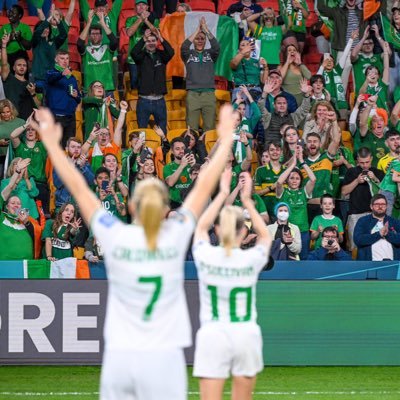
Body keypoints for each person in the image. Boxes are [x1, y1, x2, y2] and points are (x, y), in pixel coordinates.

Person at [32, 103, 235, 400]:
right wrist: (226, 138)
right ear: (167, 210)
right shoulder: (175, 237)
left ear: (129, 207)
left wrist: (51, 143)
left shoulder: (116, 238)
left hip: (122, 356)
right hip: (165, 356)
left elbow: (79, 188)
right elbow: (202, 188)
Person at [192, 170, 271, 400]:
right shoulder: (250, 259)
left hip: (213, 334)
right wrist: (247, 200)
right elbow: (266, 237)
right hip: (246, 333)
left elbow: (199, 228)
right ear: (244, 231)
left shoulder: (207, 256)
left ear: (218, 230)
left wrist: (223, 193)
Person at [131, 29, 174, 134]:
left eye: (153, 40)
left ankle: (162, 149)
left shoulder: (162, 55)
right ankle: (142, 150)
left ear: (157, 42)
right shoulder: (140, 56)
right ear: (145, 43)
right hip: (143, 101)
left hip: (159, 101)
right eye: (148, 41)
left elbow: (171, 52)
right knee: (142, 131)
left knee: (162, 130)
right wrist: (143, 39)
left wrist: (161, 38)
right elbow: (133, 52)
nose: (151, 43)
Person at [276, 150, 316, 259]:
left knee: (303, 259)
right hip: (286, 231)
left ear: (300, 180)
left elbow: (313, 179)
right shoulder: (283, 192)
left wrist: (302, 161)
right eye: (292, 178)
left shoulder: (304, 192)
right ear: (287, 180)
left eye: (297, 178)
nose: (294, 180)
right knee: (286, 258)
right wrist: (292, 165)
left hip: (303, 231)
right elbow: (279, 182)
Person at [181, 17, 220, 133]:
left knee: (210, 127)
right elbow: (184, 46)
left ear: (205, 41)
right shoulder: (188, 54)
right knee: (191, 128)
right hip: (192, 94)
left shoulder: (210, 54)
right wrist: (198, 29)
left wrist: (206, 30)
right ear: (193, 40)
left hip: (209, 94)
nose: (199, 40)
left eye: (202, 39)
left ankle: (208, 150)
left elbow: (216, 47)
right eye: (197, 38)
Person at [342, 147, 385, 251]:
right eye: (361, 162)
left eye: (367, 162)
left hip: (375, 215)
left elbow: (384, 194)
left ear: (371, 159)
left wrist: (375, 179)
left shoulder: (378, 173)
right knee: (355, 247)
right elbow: (344, 192)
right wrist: (356, 181)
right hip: (356, 215)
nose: (365, 165)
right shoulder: (351, 172)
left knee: (376, 246)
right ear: (357, 160)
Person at [10, 116, 49, 215]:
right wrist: (26, 124)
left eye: (33, 130)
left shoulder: (42, 146)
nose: (30, 132)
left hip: (40, 185)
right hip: (23, 185)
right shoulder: (20, 147)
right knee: (25, 213)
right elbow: (13, 135)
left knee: (42, 215)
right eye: (28, 130)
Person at [258, 77, 312, 142]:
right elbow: (260, 107)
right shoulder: (267, 117)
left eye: (284, 103)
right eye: (279, 103)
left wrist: (306, 94)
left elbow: (304, 109)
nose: (282, 105)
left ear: (287, 105)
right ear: (274, 105)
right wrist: (265, 93)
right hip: (272, 150)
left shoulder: (293, 117)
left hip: (289, 150)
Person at [77, 10, 118, 93]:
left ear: (102, 36)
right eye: (93, 34)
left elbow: (114, 41)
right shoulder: (86, 49)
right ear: (89, 36)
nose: (95, 36)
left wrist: (103, 23)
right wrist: (89, 22)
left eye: (97, 34)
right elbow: (79, 43)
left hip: (107, 88)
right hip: (90, 89)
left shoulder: (107, 47)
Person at [46, 50, 81, 147]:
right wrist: (61, 74)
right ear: (56, 59)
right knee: (56, 147)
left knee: (69, 146)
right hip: (56, 117)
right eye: (62, 58)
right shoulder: (51, 73)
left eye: (67, 58)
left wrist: (76, 96)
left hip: (70, 117)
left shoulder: (72, 77)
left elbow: (79, 98)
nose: (65, 61)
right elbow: (51, 79)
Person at [1, 34, 39, 120]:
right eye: (19, 65)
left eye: (24, 65)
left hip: (26, 123)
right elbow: (4, 64)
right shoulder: (8, 78)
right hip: (11, 120)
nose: (22, 67)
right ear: (13, 68)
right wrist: (4, 45)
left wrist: (33, 93)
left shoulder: (30, 85)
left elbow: (39, 107)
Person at [354, 194, 400, 261]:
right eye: (377, 204)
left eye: (383, 204)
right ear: (371, 206)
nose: (380, 206)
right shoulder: (363, 221)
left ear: (386, 206)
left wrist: (388, 234)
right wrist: (378, 234)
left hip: (392, 263)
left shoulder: (394, 221)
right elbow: (358, 240)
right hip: (369, 264)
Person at [32, 6, 67, 93]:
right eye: (44, 28)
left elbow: (63, 35)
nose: (46, 30)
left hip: (52, 80)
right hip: (39, 80)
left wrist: (56, 19)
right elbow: (38, 32)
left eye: (48, 28)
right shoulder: (36, 41)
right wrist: (48, 19)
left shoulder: (54, 42)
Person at [53, 137, 94, 210]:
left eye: (78, 147)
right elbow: (57, 183)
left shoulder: (85, 164)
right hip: (63, 205)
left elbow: (91, 182)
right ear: (66, 149)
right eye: (73, 147)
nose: (76, 149)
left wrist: (82, 167)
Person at [126, 0, 159, 90]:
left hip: (149, 56)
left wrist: (146, 21)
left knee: (150, 83)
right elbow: (129, 33)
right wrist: (140, 19)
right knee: (135, 83)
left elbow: (157, 33)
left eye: (143, 5)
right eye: (138, 5)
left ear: (147, 7)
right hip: (133, 58)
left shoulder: (154, 19)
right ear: (135, 8)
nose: (141, 7)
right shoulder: (130, 19)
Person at [163, 137, 196, 209]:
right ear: (172, 151)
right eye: (177, 149)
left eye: (183, 148)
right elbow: (170, 183)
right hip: (175, 205)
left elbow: (202, 182)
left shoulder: (192, 164)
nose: (181, 151)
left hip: (192, 203)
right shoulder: (167, 167)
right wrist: (182, 166)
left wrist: (194, 166)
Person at [254, 141, 285, 217]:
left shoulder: (287, 171)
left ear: (281, 152)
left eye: (277, 150)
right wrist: (271, 187)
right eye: (272, 150)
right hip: (265, 212)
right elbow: (255, 193)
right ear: (268, 152)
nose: (275, 152)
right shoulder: (260, 170)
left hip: (283, 213)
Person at [0, 192, 34, 260]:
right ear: (7, 206)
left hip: (24, 265)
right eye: (13, 203)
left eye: (18, 204)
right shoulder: (2, 217)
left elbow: (36, 237)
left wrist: (26, 222)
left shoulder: (28, 220)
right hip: (5, 263)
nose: (16, 205)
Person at [0, 99, 24, 174]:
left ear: (12, 111)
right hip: (1, 156)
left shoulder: (21, 122)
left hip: (17, 156)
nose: (6, 114)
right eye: (3, 112)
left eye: (8, 112)